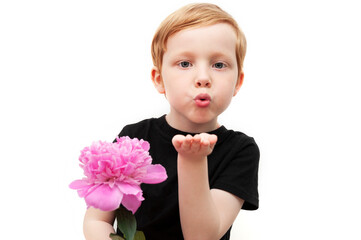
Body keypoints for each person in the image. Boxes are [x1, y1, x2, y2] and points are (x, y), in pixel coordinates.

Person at [83, 3, 259, 240]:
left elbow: (202, 236)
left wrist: (192, 160)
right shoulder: (133, 137)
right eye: (185, 64)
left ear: (238, 81)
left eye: (219, 65)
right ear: (159, 79)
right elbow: (97, 220)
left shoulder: (240, 150)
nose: (203, 78)